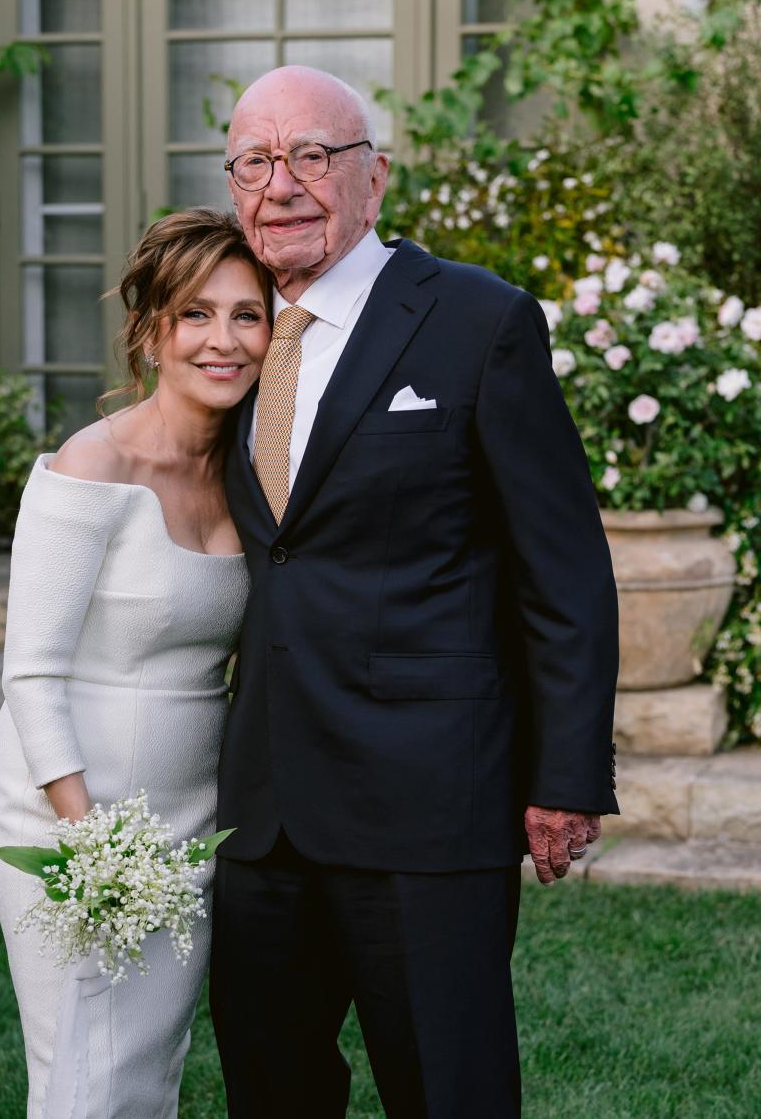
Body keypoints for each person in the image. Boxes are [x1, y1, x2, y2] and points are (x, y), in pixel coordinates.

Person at [209, 66, 620, 1118]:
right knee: (271, 1087)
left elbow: (561, 566)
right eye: (256, 161)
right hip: (264, 811)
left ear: (375, 177)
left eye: (313, 155)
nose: (282, 184)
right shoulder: (231, 335)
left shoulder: (478, 320)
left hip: (431, 805)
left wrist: (566, 774)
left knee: (449, 1091)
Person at [0, 208, 272, 1119]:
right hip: (75, 806)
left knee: (150, 1060)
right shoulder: (90, 465)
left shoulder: (254, 474)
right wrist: (92, 845)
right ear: (150, 331)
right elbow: (29, 672)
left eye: (248, 314)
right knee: (83, 1063)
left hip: (190, 813)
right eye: (196, 314)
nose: (223, 341)